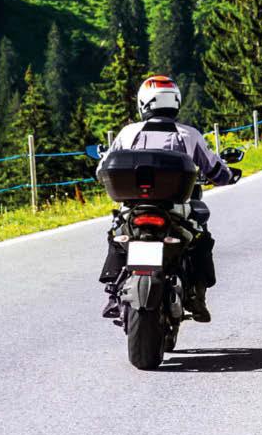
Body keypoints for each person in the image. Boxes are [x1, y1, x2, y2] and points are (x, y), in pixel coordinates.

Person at [97, 75, 240, 323]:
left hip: (134, 206)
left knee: (117, 234)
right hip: (175, 207)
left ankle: (112, 292)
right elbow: (216, 170)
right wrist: (228, 175)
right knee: (200, 239)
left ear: (143, 103)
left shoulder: (128, 133)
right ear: (175, 101)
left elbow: (102, 169)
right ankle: (197, 295)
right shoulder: (189, 134)